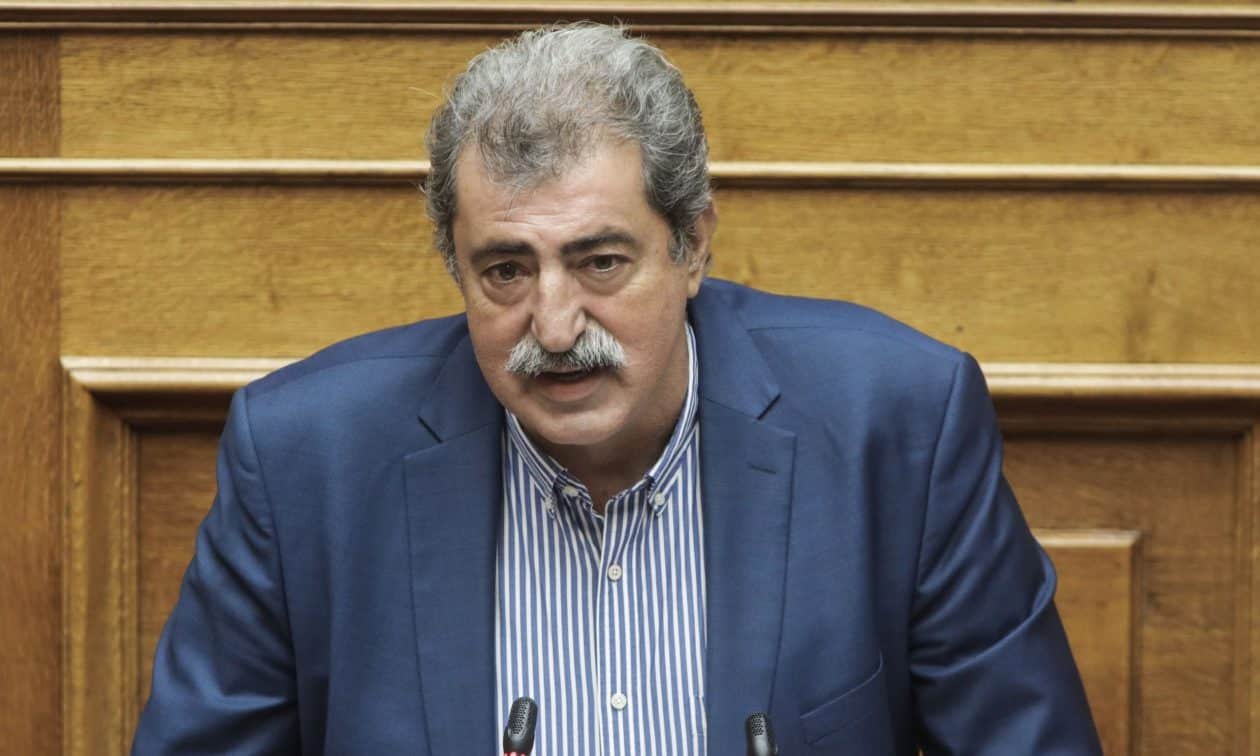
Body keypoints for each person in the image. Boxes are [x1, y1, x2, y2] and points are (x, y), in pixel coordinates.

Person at [133, 22, 1102, 755]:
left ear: (693, 246)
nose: (554, 327)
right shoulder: (305, 463)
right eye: (505, 271)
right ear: (457, 268)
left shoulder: (896, 425)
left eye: (600, 262)